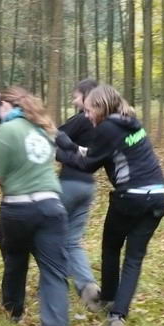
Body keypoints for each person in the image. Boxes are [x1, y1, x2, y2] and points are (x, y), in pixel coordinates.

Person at [56, 85, 164, 326]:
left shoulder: (106, 128)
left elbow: (87, 164)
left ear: (101, 106)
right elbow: (100, 154)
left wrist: (58, 151)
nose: (86, 115)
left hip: (130, 197)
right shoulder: (129, 122)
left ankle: (107, 298)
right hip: (157, 196)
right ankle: (118, 316)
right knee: (134, 257)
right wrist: (69, 146)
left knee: (111, 248)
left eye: (88, 110)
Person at [0, 87, 71, 326]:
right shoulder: (43, 129)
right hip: (51, 206)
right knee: (53, 271)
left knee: (15, 260)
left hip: (17, 207)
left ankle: (12, 310)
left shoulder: (7, 130)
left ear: (6, 106)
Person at [57, 79, 101, 311]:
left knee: (53, 235)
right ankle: (87, 285)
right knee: (72, 240)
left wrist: (61, 154)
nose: (74, 100)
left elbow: (55, 136)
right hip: (88, 186)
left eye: (76, 96)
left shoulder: (81, 119)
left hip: (69, 184)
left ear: (86, 96)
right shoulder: (103, 122)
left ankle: (56, 282)